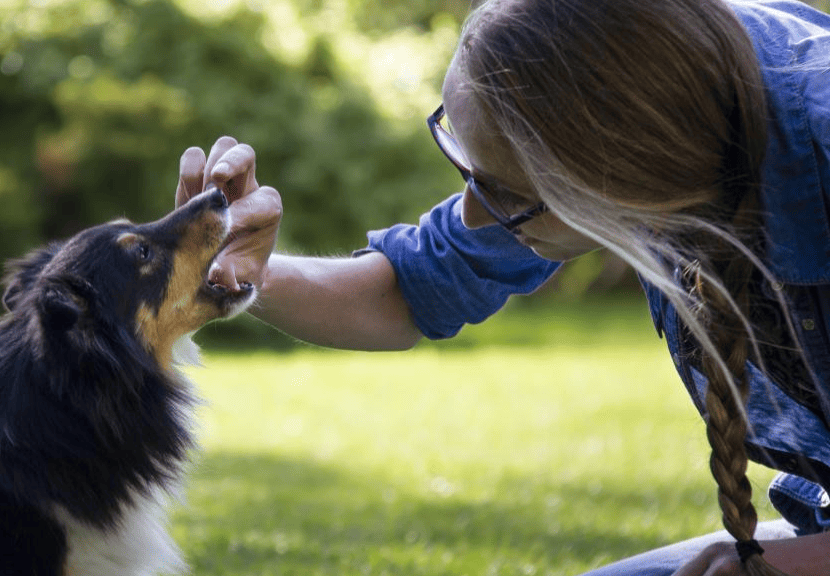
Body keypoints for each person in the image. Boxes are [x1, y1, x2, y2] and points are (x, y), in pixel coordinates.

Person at [174, 0, 830, 574]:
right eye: (468, 165)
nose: (474, 217)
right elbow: (410, 287)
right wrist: (241, 273)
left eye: (504, 194)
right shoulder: (635, 69)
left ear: (621, 184)